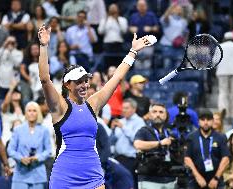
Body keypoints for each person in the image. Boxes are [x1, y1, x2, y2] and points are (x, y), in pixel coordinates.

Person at [37, 21, 156, 188]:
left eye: (86, 80)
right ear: (67, 85)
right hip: (64, 176)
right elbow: (44, 79)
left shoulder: (93, 104)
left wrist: (133, 52)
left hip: (93, 174)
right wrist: (44, 47)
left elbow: (116, 78)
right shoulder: (60, 106)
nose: (85, 85)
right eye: (79, 82)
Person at [7, 101, 52, 189]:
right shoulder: (18, 130)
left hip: (38, 175)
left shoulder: (44, 130)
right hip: (20, 174)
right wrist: (21, 158)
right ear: (25, 113)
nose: (31, 113)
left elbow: (48, 150)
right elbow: (10, 150)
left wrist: (37, 157)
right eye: (29, 110)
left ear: (38, 113)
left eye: (34, 111)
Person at [134, 103, 176, 189]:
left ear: (166, 115)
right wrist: (159, 143)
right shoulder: (144, 130)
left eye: (161, 112)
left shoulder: (170, 132)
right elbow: (137, 144)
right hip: (149, 178)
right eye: (154, 112)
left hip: (169, 177)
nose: (158, 115)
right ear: (149, 115)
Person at [184, 109, 230, 189]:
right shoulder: (191, 137)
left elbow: (226, 159)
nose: (205, 122)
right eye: (202, 119)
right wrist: (198, 176)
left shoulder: (221, 137)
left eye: (208, 119)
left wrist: (216, 178)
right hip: (195, 181)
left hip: (217, 182)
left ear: (212, 121)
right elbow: (187, 158)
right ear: (198, 122)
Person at [216, 31, 233, 121]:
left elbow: (215, 61)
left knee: (223, 92)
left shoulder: (220, 47)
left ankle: (223, 111)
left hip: (222, 72)